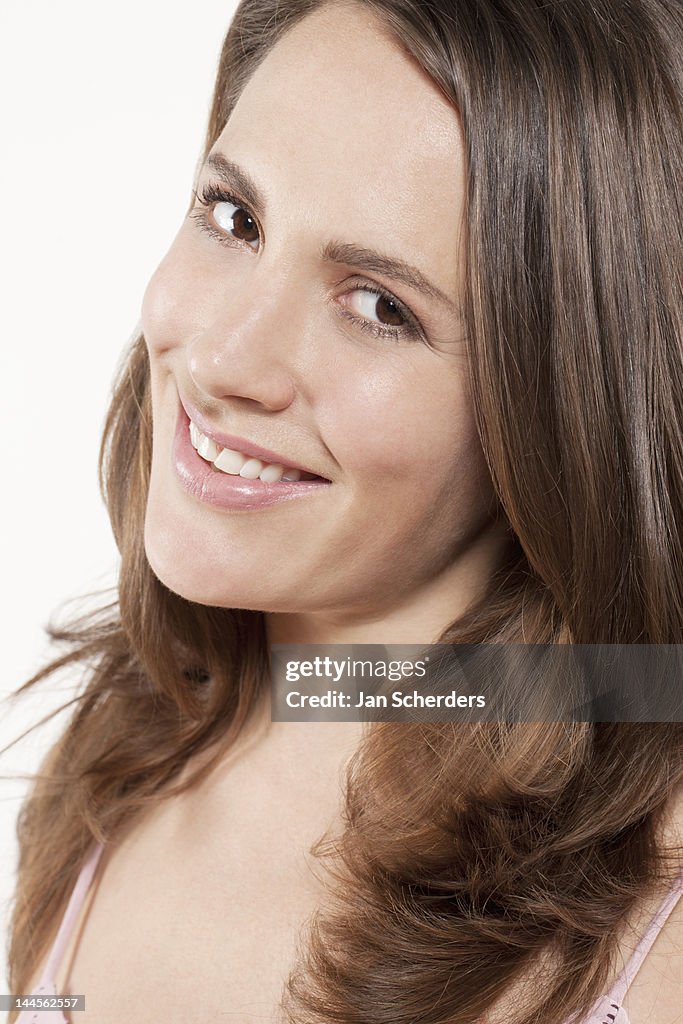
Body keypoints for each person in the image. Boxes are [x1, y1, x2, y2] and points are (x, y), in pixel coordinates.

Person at [6, 0, 683, 1022]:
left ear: (556, 406)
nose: (223, 359)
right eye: (236, 218)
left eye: (379, 305)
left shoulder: (653, 926)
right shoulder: (130, 739)